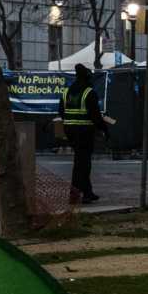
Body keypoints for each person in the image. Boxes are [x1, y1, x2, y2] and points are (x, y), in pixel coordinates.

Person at [60, 64, 110, 203]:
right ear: (87, 77)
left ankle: (87, 191)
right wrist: (105, 129)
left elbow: (61, 112)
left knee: (81, 160)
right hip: (84, 132)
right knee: (82, 163)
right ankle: (75, 194)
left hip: (70, 131)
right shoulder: (89, 93)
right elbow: (95, 116)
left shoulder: (67, 92)